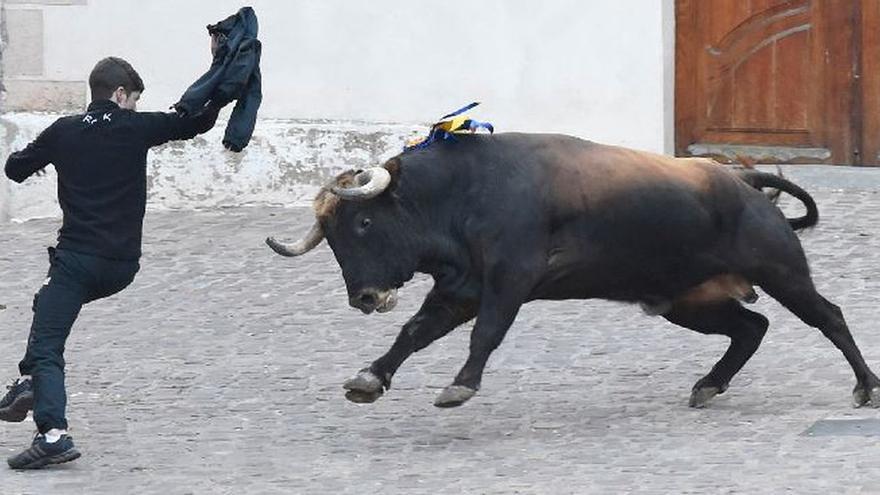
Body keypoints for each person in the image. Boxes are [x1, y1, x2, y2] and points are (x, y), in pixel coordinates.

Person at [1, 56, 220, 469]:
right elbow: (197, 122)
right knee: (44, 304)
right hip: (121, 266)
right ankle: (29, 383)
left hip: (76, 263)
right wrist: (224, 84)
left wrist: (46, 152)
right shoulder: (136, 127)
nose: (134, 107)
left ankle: (51, 434)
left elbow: (14, 170)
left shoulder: (63, 131)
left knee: (48, 344)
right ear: (120, 95)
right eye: (134, 100)